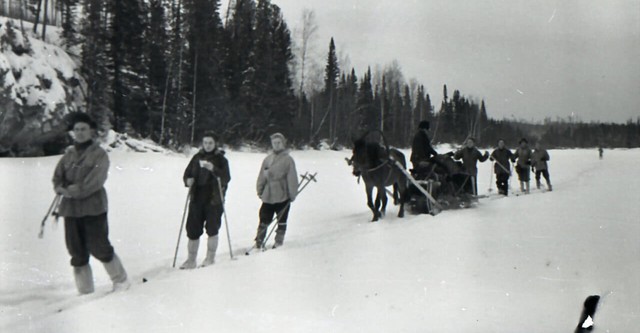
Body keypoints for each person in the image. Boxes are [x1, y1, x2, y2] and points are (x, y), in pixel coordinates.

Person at [52, 113, 129, 295]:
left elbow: (94, 182)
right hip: (70, 210)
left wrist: (68, 191)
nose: (79, 133)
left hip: (93, 208)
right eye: (76, 129)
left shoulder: (99, 154)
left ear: (91, 131)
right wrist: (59, 187)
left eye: (83, 129)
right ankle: (85, 291)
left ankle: (121, 280)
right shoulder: (68, 154)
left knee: (99, 246)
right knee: (76, 251)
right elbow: (57, 177)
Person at [181, 131, 231, 269]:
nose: (207, 145)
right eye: (205, 143)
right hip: (197, 197)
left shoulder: (221, 159)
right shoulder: (197, 157)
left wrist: (213, 168)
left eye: (210, 143)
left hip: (214, 198)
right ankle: (191, 260)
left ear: (215, 144)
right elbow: (187, 174)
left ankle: (210, 258)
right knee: (192, 228)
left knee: (212, 228)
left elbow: (226, 178)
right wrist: (188, 180)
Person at [254, 133, 299, 249]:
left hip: (282, 194)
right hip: (268, 194)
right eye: (274, 143)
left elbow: (292, 178)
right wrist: (260, 189)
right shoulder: (267, 159)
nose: (277, 145)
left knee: (282, 218)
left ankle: (279, 241)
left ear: (283, 143)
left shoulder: (288, 160)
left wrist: (292, 194)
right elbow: (261, 176)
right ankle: (259, 240)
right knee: (264, 217)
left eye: (279, 143)